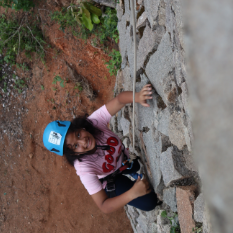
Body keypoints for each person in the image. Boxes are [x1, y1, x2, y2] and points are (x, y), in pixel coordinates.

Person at [43, 84, 158, 213]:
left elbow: (119, 100)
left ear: (79, 126)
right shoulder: (84, 168)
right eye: (76, 146)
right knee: (150, 202)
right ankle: (128, 173)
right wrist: (133, 193)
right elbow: (104, 205)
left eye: (78, 134)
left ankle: (130, 169)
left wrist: (137, 96)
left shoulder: (94, 123)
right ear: (73, 154)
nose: (83, 141)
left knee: (135, 165)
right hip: (111, 177)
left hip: (123, 160)